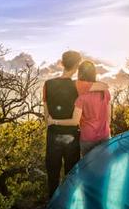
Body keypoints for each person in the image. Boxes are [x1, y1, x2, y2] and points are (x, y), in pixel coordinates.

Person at [43, 51, 108, 198]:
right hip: (72, 135)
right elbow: (104, 86)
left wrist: (53, 121)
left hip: (53, 135)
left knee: (52, 175)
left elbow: (46, 116)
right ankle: (69, 207)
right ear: (77, 65)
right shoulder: (78, 85)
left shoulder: (47, 84)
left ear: (61, 63)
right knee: (71, 174)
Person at [48, 60, 111, 157]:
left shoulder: (81, 97)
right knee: (105, 165)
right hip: (105, 135)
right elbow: (108, 117)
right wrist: (104, 129)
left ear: (80, 74)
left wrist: (54, 121)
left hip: (88, 138)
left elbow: (74, 121)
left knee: (89, 168)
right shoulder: (105, 92)